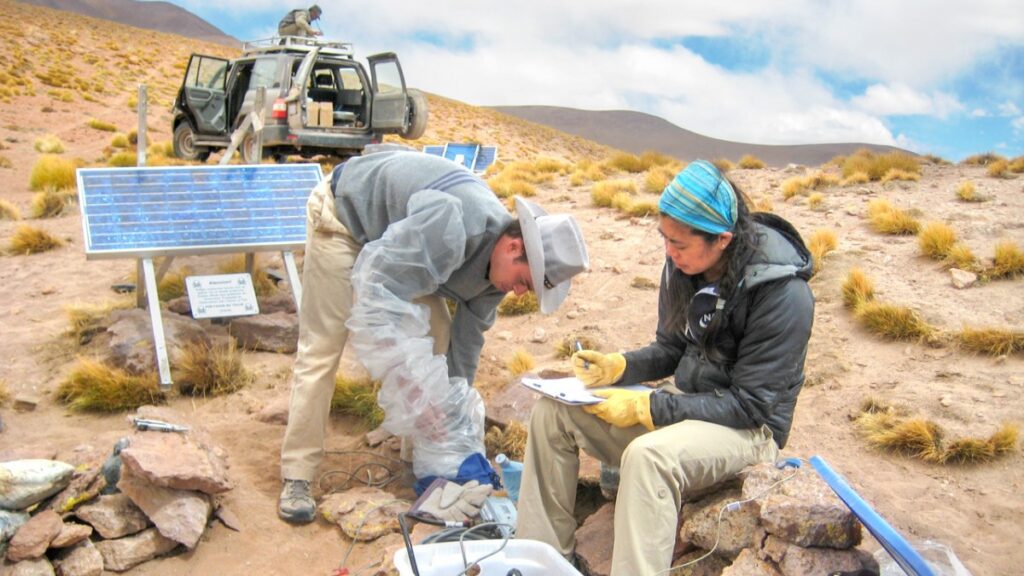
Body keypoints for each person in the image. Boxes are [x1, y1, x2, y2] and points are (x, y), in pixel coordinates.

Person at [516, 160, 814, 574]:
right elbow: (672, 347)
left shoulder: (782, 294)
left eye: (679, 244)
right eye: (664, 239)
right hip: (687, 404)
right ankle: (539, 559)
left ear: (722, 239)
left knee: (647, 457)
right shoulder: (684, 267)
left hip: (748, 431)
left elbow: (751, 406)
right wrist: (619, 367)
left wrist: (649, 408)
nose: (669, 254)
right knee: (554, 413)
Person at [278, 146, 590, 524]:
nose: (518, 293)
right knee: (323, 347)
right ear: (513, 246)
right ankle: (297, 474)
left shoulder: (496, 277)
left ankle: (422, 455)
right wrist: (413, 393)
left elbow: (466, 346)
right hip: (347, 221)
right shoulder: (451, 226)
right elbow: (378, 299)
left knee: (438, 336)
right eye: (524, 282)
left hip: (404, 247)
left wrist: (451, 429)